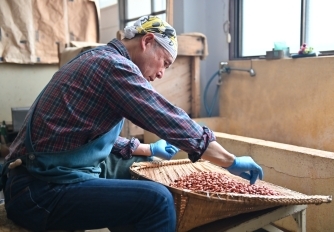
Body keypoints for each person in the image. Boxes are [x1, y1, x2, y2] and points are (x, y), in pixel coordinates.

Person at [0, 15, 263, 232]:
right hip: (37, 192)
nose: (161, 73)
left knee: (145, 168)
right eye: (165, 63)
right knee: (158, 201)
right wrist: (231, 161)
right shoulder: (113, 67)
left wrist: (148, 150)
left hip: (41, 177)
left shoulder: (98, 58)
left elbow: (88, 136)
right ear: (148, 41)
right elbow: (166, 116)